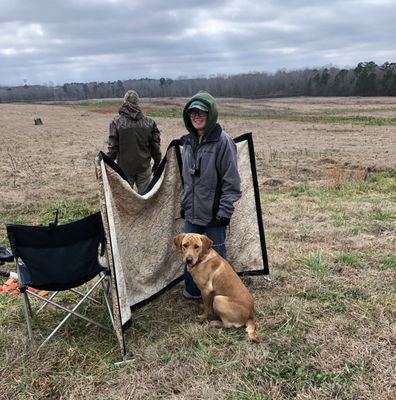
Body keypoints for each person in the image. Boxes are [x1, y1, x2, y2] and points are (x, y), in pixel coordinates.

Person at [180, 90, 242, 299]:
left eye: (202, 112)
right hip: (192, 212)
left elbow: (231, 182)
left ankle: (219, 297)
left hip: (215, 214)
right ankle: (193, 292)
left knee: (216, 258)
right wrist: (185, 202)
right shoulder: (188, 142)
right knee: (189, 253)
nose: (197, 116)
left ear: (211, 114)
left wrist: (224, 212)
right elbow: (188, 179)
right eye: (193, 113)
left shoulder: (223, 142)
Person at [107, 90, 161, 194]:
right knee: (146, 200)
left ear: (124, 102)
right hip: (144, 168)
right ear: (138, 102)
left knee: (126, 202)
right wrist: (157, 163)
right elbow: (156, 147)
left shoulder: (116, 122)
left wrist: (106, 164)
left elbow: (113, 148)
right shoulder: (149, 123)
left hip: (124, 170)